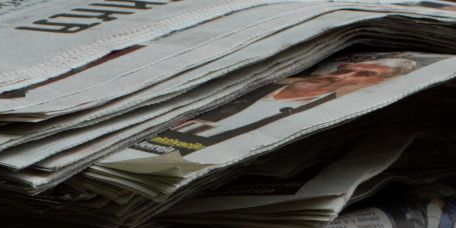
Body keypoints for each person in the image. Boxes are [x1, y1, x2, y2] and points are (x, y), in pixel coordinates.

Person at [145, 56, 420, 153]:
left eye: (365, 75)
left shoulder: (325, 117)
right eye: (352, 67)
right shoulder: (257, 84)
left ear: (373, 84)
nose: (346, 74)